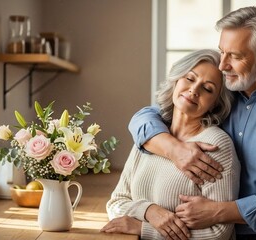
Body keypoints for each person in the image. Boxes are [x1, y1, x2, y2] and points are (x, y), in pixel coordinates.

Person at [128, 6, 256, 240]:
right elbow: (146, 116)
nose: (222, 65)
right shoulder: (220, 94)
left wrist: (219, 212)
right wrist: (174, 150)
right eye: (222, 52)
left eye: (235, 56)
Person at [102, 49, 241, 240]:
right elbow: (116, 203)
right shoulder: (152, 136)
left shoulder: (217, 145)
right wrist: (150, 211)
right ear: (176, 80)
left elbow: (219, 232)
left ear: (216, 104)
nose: (194, 90)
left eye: (207, 89)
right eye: (190, 78)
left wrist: (145, 230)